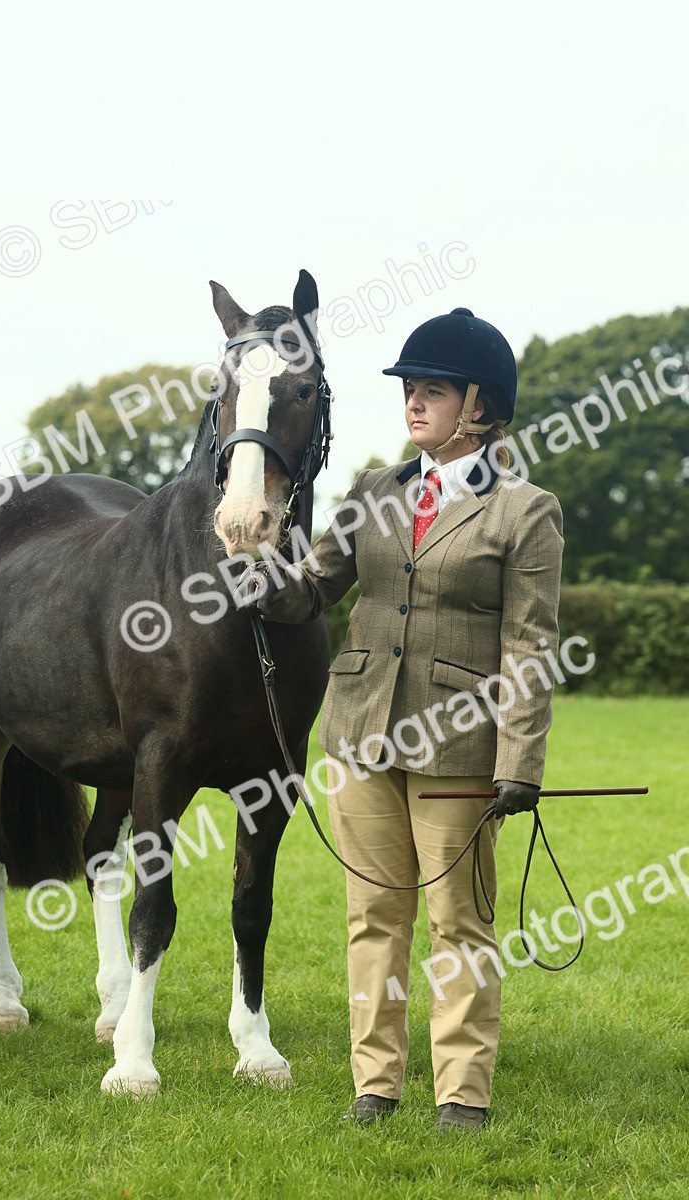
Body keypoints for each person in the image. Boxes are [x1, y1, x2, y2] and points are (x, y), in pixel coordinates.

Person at [235, 307, 563, 1131]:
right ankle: (375, 1085)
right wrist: (259, 569)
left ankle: (462, 1096)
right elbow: (314, 589)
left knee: (460, 924)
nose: (414, 403)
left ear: (480, 405)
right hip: (358, 733)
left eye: (434, 391)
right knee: (373, 918)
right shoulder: (375, 491)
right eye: (410, 390)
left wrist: (520, 762)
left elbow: (531, 644)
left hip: (460, 744)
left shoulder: (526, 511)